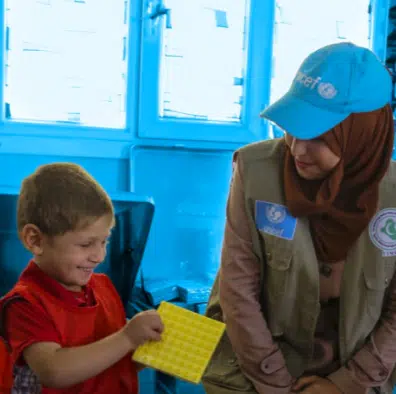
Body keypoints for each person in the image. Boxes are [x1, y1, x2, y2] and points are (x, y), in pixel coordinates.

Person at [202, 42, 396, 394]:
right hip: (256, 369)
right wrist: (275, 382)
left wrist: (346, 384)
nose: (297, 149)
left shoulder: (393, 195)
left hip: (356, 373)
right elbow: (237, 285)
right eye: (292, 128)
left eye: (319, 138)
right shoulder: (254, 171)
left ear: (363, 135)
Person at [0, 163, 164, 393]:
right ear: (35, 240)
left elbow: (111, 361)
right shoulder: (24, 304)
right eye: (86, 244)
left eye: (104, 241)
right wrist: (127, 337)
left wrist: (145, 349)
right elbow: (54, 371)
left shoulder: (104, 287)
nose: (99, 256)